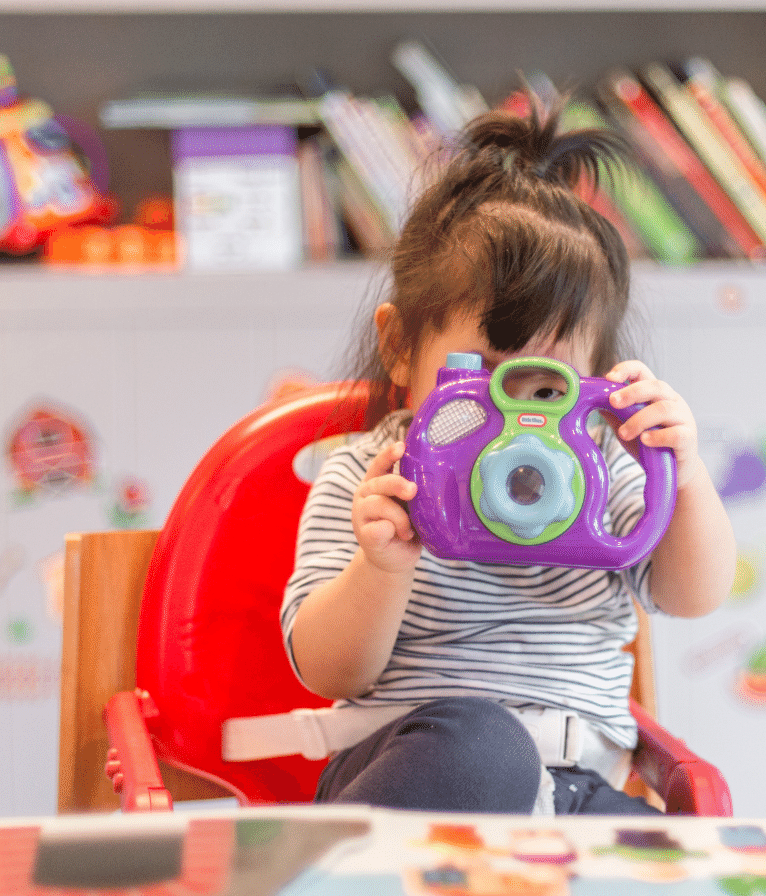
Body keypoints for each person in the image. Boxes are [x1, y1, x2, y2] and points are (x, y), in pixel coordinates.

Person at [280, 98, 736, 815]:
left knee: (674, 865)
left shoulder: (602, 470)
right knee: (483, 747)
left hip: (579, 787)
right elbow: (325, 667)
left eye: (544, 386)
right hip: (422, 772)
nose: (513, 418)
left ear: (594, 379)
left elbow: (693, 594)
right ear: (401, 347)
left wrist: (683, 471)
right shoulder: (373, 478)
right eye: (483, 374)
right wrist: (381, 567)